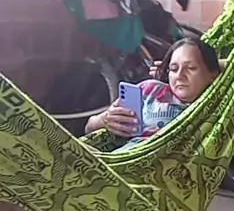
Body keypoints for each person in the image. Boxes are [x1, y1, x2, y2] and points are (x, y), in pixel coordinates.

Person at [85, 37, 221, 150]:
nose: (180, 75)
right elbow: (89, 127)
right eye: (174, 69)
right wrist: (103, 120)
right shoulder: (150, 90)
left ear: (212, 74)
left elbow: (228, 66)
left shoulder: (218, 108)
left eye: (191, 68)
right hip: (121, 161)